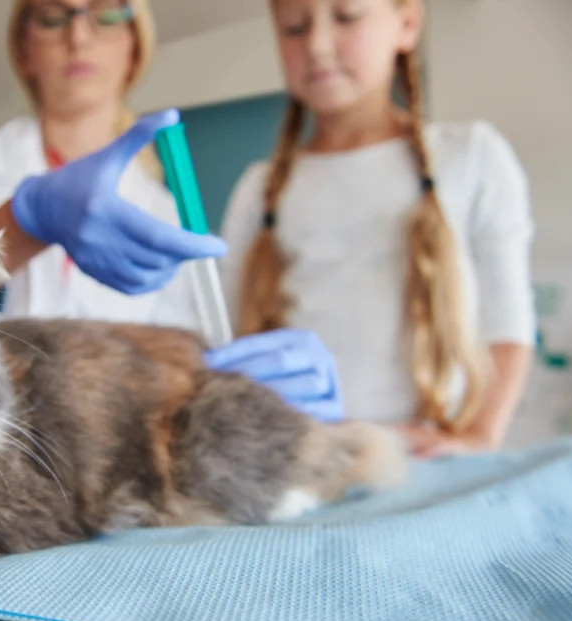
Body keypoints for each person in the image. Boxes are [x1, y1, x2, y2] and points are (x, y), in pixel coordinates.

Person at [0, 0, 343, 422]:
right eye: (53, 17)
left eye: (106, 13)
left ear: (135, 48)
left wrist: (249, 386)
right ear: (24, 51)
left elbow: (189, 362)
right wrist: (21, 223)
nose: (78, 36)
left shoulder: (165, 212)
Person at [216, 0, 535, 456]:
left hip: (431, 460)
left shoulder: (473, 156)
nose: (318, 46)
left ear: (406, 24)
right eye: (294, 28)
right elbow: (225, 337)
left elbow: (508, 326)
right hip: (303, 463)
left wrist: (477, 438)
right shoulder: (257, 189)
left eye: (346, 17)